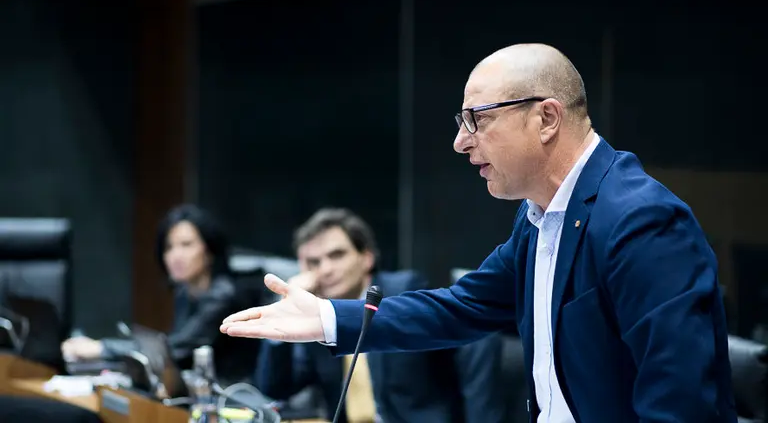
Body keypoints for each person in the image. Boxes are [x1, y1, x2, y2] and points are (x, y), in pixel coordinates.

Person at [220, 43, 737, 422]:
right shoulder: (539, 217)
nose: (460, 142)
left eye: (476, 119)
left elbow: (681, 406)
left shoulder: (641, 221)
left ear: (547, 118)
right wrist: (328, 317)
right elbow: (462, 306)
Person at [256, 208, 507, 423]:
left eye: (337, 255)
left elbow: (479, 340)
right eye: (314, 262)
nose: (326, 269)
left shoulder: (402, 291)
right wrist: (283, 316)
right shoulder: (317, 313)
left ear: (367, 258)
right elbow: (275, 389)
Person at [62, 204, 259, 385]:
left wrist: (101, 348)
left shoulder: (224, 296)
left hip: (233, 397)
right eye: (169, 247)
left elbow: (175, 351)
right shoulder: (184, 292)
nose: (175, 256)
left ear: (209, 251)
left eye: (186, 245)